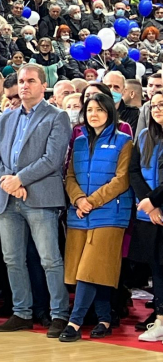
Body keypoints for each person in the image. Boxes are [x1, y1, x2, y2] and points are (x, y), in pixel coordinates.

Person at [0, 64, 72, 336]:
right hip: (8, 199)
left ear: (43, 85)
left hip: (41, 198)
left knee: (49, 259)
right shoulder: (5, 118)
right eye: (21, 81)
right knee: (11, 259)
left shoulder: (57, 117)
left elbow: (52, 159)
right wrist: (9, 181)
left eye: (30, 81)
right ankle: (21, 312)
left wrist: (19, 180)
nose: (24, 85)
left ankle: (59, 314)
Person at [60, 92, 132, 342]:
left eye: (100, 110)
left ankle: (74, 322)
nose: (94, 114)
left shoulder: (124, 141)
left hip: (110, 214)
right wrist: (79, 199)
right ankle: (104, 318)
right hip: (79, 213)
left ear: (110, 113)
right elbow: (69, 176)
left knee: (89, 268)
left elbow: (122, 179)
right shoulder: (78, 141)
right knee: (91, 269)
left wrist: (92, 201)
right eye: (90, 109)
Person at [131, 92, 163, 341]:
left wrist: (155, 201)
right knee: (156, 268)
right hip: (148, 215)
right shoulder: (143, 136)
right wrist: (149, 204)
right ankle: (160, 318)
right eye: (153, 105)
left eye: (162, 104)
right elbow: (133, 171)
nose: (157, 109)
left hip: (157, 209)